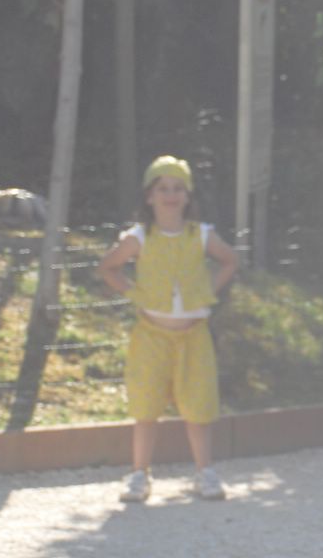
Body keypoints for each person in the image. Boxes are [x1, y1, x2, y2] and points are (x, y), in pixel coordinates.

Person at [99, 155, 238, 503]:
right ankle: (139, 474)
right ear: (150, 196)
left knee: (199, 405)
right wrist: (134, 293)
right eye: (163, 188)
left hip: (194, 337)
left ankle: (204, 472)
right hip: (151, 336)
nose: (171, 195)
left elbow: (230, 259)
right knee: (146, 405)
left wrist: (208, 290)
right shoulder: (139, 237)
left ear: (188, 196)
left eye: (178, 188)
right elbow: (109, 267)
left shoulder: (201, 235)